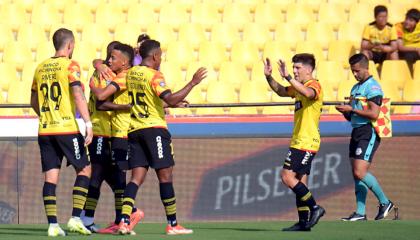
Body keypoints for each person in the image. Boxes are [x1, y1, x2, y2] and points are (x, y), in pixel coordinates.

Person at [117, 39, 207, 235]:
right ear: (155, 56)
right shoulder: (155, 75)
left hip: (134, 130)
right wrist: (193, 82)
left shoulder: (131, 73)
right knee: (165, 176)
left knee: (135, 179)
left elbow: (152, 100)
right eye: (160, 56)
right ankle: (173, 224)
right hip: (154, 130)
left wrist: (173, 103)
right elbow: (169, 98)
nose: (161, 60)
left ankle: (124, 222)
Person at [30, 28, 93, 236]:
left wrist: (48, 116)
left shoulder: (40, 68)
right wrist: (88, 124)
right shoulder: (70, 65)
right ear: (70, 45)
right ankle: (75, 218)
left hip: (45, 130)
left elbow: (33, 101)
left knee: (50, 178)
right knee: (84, 170)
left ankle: (53, 225)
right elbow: (78, 94)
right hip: (66, 128)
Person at [81, 41, 142, 234]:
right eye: (109, 57)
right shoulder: (103, 73)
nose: (109, 60)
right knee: (98, 176)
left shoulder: (120, 76)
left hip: (115, 134)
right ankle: (89, 218)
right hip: (100, 131)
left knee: (116, 178)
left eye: (112, 57)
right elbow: (100, 104)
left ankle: (120, 218)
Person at [263, 54, 325, 231]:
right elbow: (281, 91)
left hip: (306, 141)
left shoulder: (314, 85)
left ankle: (315, 208)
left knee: (286, 176)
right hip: (299, 140)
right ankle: (304, 222)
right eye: (294, 68)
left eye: (298, 68)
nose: (295, 71)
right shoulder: (299, 87)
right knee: (300, 181)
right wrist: (269, 76)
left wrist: (288, 76)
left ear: (308, 69)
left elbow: (308, 93)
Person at [336, 53, 394, 221]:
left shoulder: (373, 87)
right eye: (352, 71)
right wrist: (345, 111)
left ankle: (385, 202)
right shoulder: (355, 88)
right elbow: (352, 116)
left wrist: (352, 110)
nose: (354, 74)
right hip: (356, 131)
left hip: (368, 132)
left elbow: (374, 114)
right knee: (356, 174)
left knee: (360, 172)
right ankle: (360, 213)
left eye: (357, 71)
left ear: (366, 68)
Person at [395, 8, 420, 74]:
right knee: (409, 56)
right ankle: (408, 76)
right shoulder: (398, 27)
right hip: (406, 51)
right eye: (406, 19)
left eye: (411, 20)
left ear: (416, 22)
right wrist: (416, 49)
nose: (407, 22)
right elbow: (400, 47)